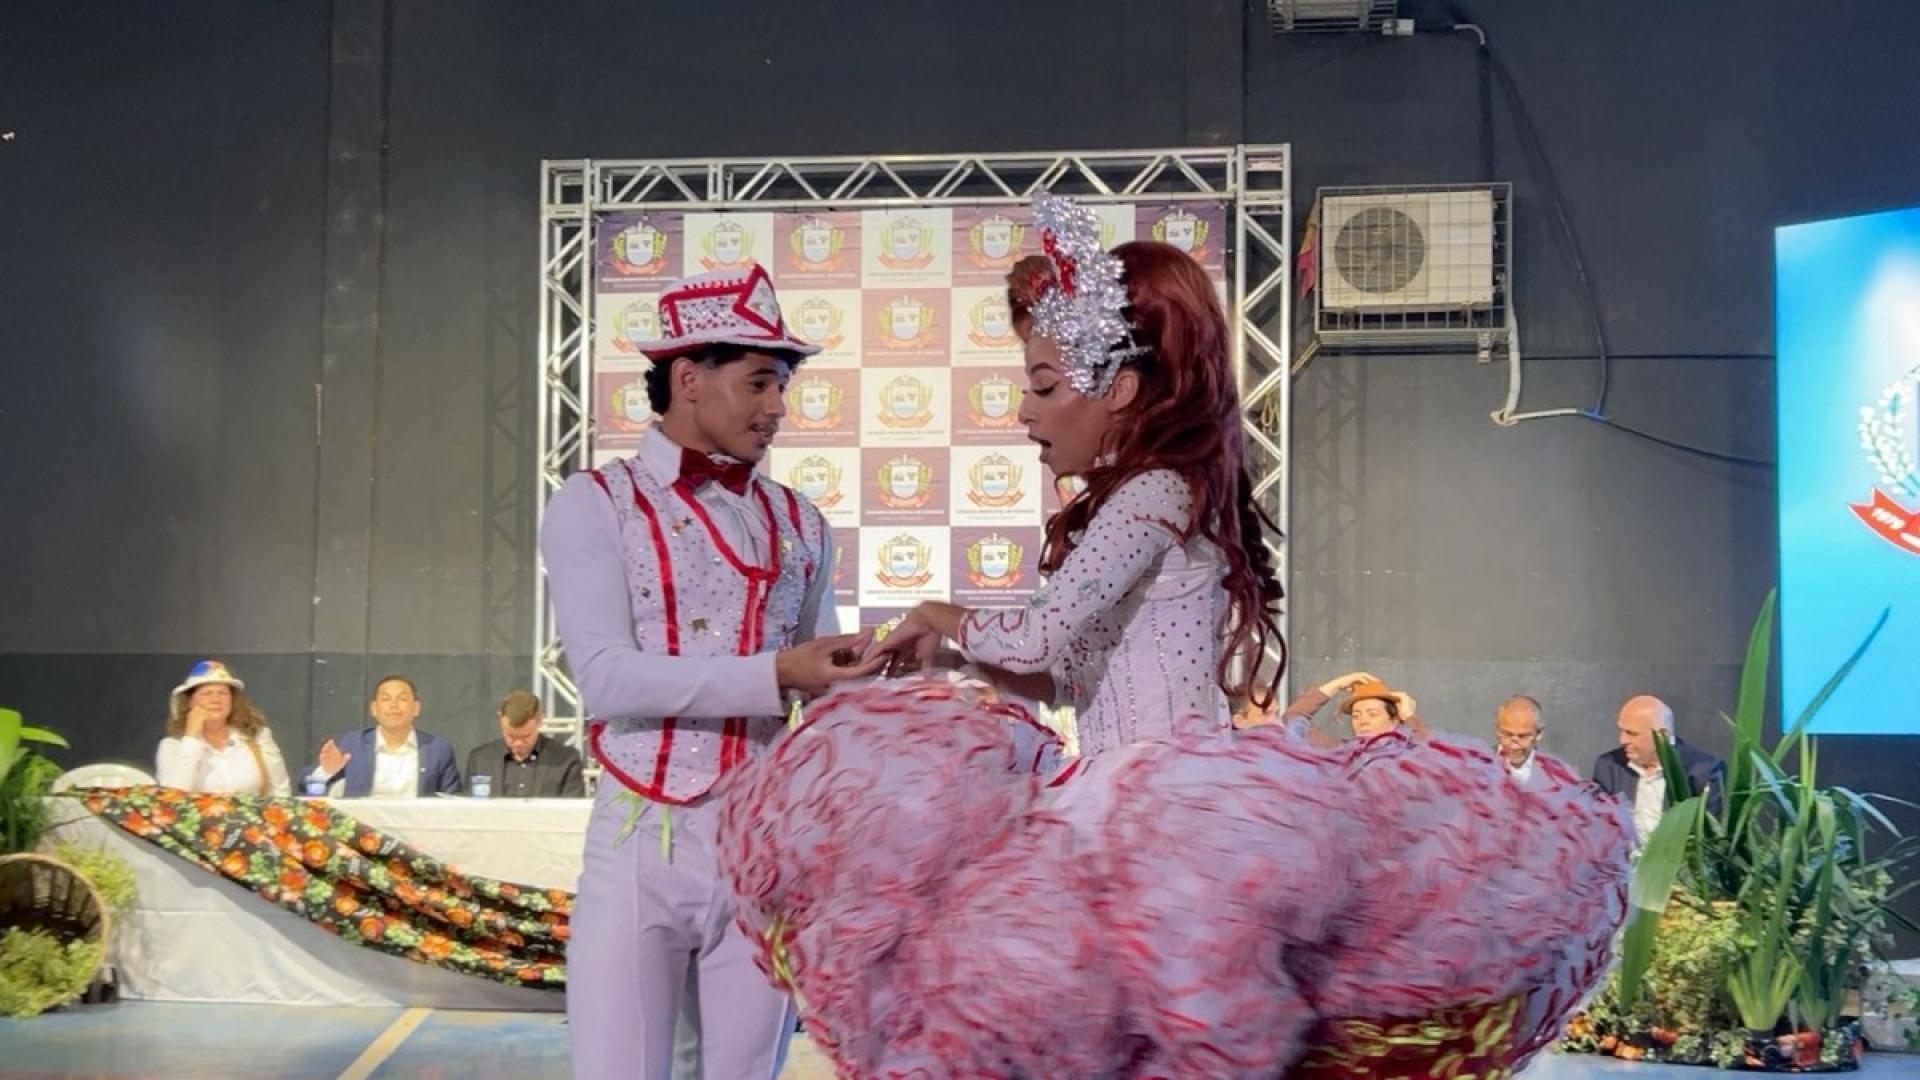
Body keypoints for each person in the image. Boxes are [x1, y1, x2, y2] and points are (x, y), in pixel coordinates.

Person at [722, 194, 1635, 1079]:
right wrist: (956, 652)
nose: (1024, 412)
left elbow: (1036, 641)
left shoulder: (1154, 492)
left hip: (1172, 828)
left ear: (1119, 389)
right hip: (1118, 815)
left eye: (1043, 386)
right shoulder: (1141, 499)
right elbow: (1064, 678)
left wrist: (937, 614)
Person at [540, 261, 880, 1080]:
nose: (778, 407)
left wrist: (895, 676)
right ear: (688, 378)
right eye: (760, 382)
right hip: (640, 836)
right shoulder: (595, 502)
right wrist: (779, 673)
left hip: (763, 848)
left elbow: (827, 690)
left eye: (783, 386)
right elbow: (607, 679)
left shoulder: (801, 519)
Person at [1593, 694, 1726, 841]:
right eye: (1622, 731)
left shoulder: (1704, 771)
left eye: (1632, 733)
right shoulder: (1609, 766)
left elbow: (1710, 838)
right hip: (1624, 855)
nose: (1622, 740)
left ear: (1663, 734)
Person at [309, 675, 462, 798]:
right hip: (362, 825)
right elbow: (306, 786)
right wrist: (326, 772)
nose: (394, 705)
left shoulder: (438, 748)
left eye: (402, 699)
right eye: (386, 699)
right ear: (374, 709)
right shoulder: (352, 744)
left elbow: (452, 800)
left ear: (416, 708)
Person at [154, 659, 291, 796]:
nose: (216, 700)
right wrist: (192, 738)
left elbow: (281, 790)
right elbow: (172, 797)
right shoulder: (172, 746)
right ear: (190, 701)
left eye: (222, 693)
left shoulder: (257, 737)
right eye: (206, 693)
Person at [464, 690, 585, 798]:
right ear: (500, 721)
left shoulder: (565, 761)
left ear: (540, 721)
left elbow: (572, 811)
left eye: (526, 737)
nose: (518, 743)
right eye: (511, 737)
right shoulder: (480, 760)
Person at [1279, 670, 1426, 741]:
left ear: (1393, 720)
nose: (1363, 721)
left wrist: (1408, 716)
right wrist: (1338, 684)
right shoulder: (1340, 754)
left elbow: (1431, 752)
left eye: (1372, 714)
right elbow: (1293, 718)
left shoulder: (1407, 756)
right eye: (1356, 716)